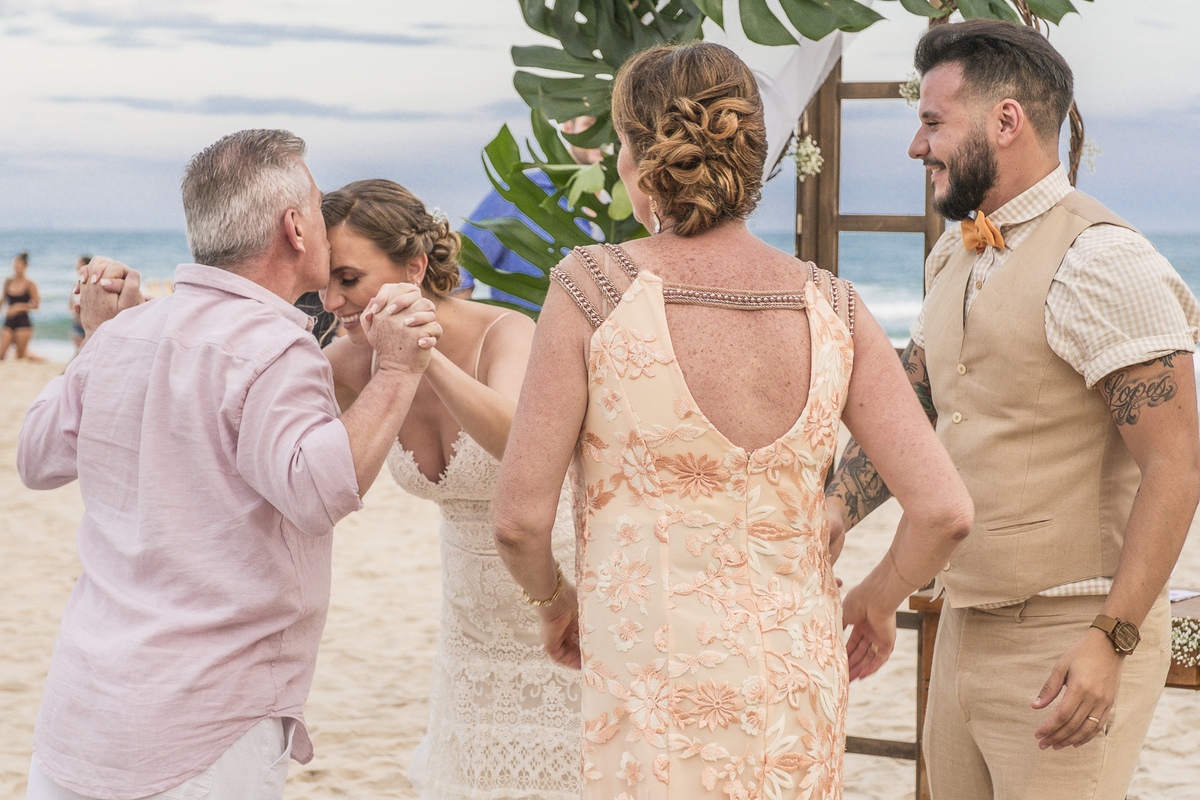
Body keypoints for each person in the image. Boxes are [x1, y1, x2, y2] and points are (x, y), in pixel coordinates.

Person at [491, 42, 974, 798]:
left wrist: (554, 605)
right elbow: (945, 512)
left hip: (652, 688)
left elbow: (518, 522)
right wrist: (879, 599)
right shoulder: (835, 305)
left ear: (641, 158)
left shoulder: (595, 290)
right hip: (796, 691)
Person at [823, 20, 1200, 800]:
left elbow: (1178, 465)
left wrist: (1112, 639)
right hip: (962, 628)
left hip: (1072, 638)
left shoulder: (1105, 259)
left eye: (933, 122)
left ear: (1005, 121)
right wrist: (835, 515)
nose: (916, 146)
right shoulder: (952, 252)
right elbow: (918, 404)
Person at [17, 129, 441, 800]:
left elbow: (36, 457)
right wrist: (395, 371)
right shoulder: (275, 348)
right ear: (295, 228)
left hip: (80, 715)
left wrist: (98, 341)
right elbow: (319, 492)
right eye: (317, 206)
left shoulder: (124, 333)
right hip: (201, 730)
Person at [318, 179, 581, 799]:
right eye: (322, 283)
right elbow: (256, 419)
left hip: (567, 599)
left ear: (414, 268)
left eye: (348, 279)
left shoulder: (505, 332)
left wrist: (423, 358)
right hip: (469, 631)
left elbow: (521, 446)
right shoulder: (350, 362)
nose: (332, 301)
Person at [456, 116, 604, 307]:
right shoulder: (524, 191)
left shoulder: (631, 206)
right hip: (526, 324)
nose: (601, 136)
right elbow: (459, 265)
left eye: (611, 126)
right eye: (590, 125)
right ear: (567, 126)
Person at [2, 251, 43, 360]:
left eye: (19, 264)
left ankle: (39, 359)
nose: (16, 267)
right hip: (9, 321)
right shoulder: (8, 282)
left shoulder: (30, 284)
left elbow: (36, 305)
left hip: (23, 323)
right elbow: (3, 300)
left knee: (21, 356)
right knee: (1, 355)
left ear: (25, 266)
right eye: (15, 264)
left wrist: (19, 307)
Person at [69, 255, 90, 356]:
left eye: (79, 265)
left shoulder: (93, 284)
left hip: (89, 323)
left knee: (87, 352)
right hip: (77, 322)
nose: (77, 268)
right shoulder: (76, 284)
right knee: (79, 352)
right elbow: (70, 304)